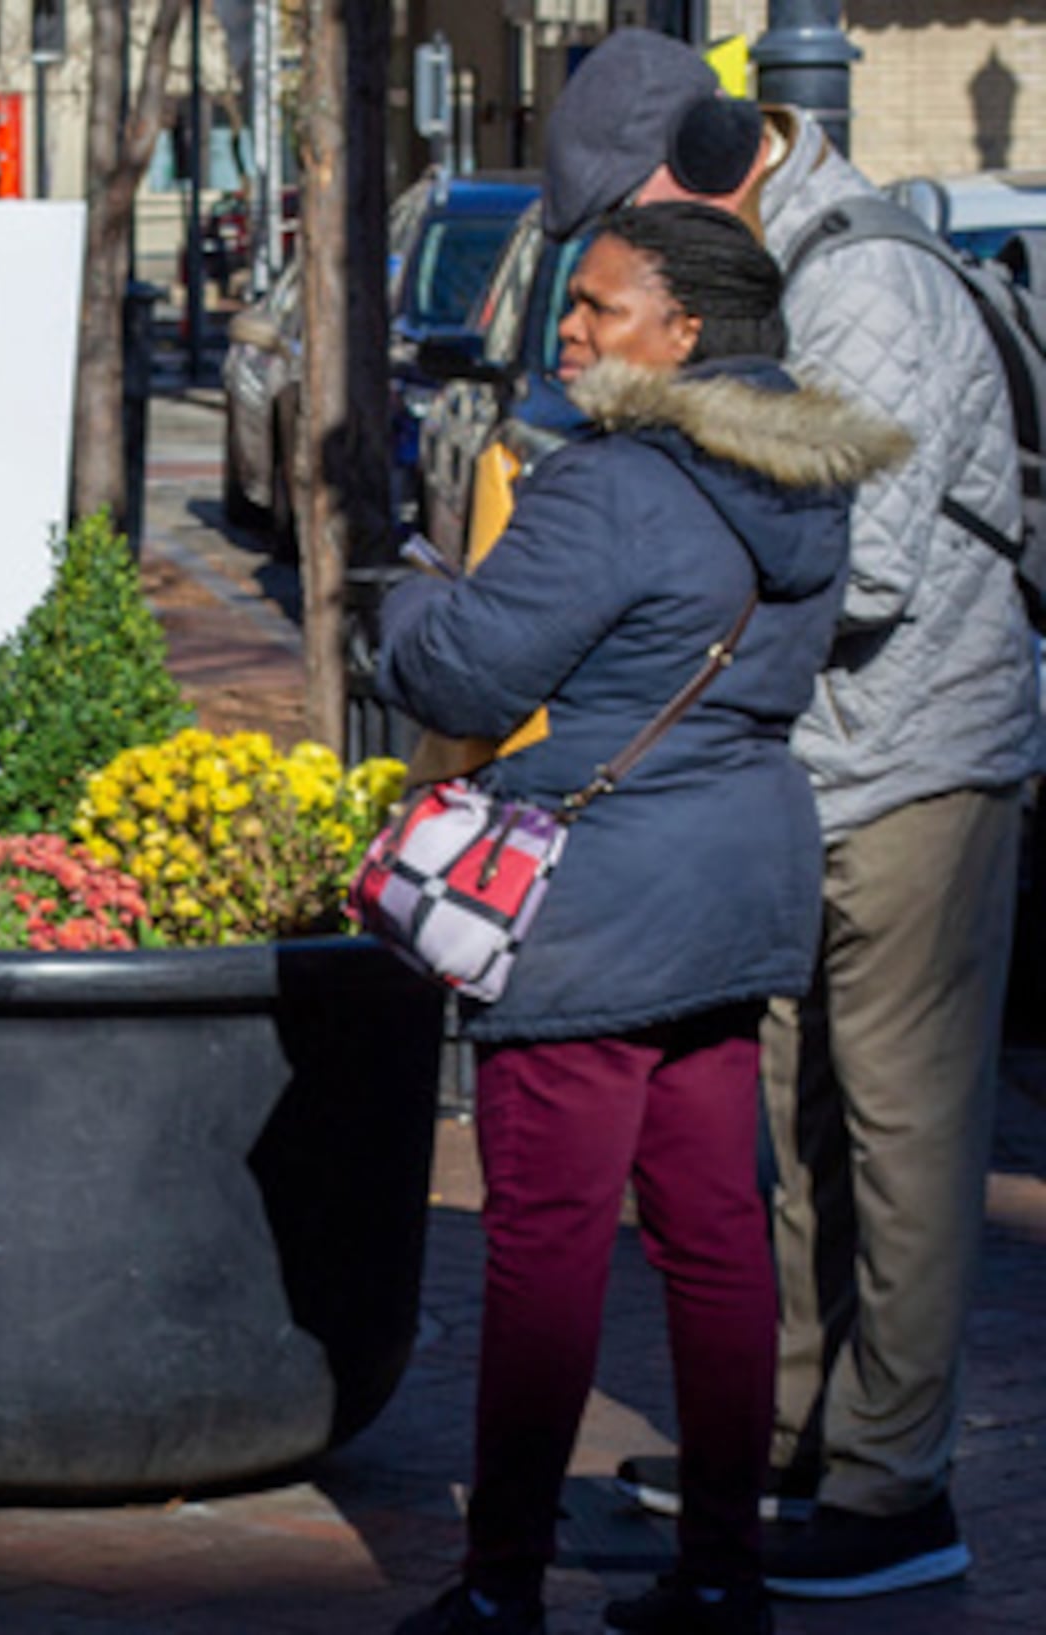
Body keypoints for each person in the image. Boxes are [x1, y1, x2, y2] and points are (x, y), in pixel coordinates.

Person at [542, 30, 1046, 1600]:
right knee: (784, 1114)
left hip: (916, 760)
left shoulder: (864, 287)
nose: (614, 261)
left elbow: (865, 564)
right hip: (796, 765)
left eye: (629, 218)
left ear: (714, 156)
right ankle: (783, 1432)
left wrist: (652, 500)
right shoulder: (748, 283)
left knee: (897, 1123)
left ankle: (896, 1486)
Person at [377, 203, 908, 1635]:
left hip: (595, 896)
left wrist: (407, 604)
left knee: (547, 1241)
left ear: (686, 335)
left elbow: (468, 681)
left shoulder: (610, 485)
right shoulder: (805, 484)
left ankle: (500, 1584)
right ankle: (726, 1570)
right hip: (736, 879)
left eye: (600, 307)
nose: (571, 327)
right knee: (718, 1235)